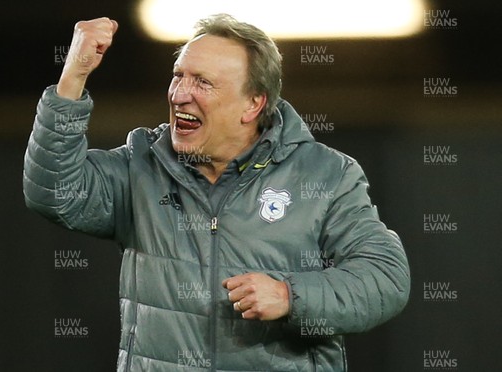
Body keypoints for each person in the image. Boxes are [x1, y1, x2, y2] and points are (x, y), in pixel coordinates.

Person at [23, 14, 410, 371]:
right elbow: (55, 192)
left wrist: (291, 296)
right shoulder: (141, 166)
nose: (179, 94)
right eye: (179, 76)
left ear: (252, 104)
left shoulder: (326, 175)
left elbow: (385, 277)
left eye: (202, 82)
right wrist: (74, 75)